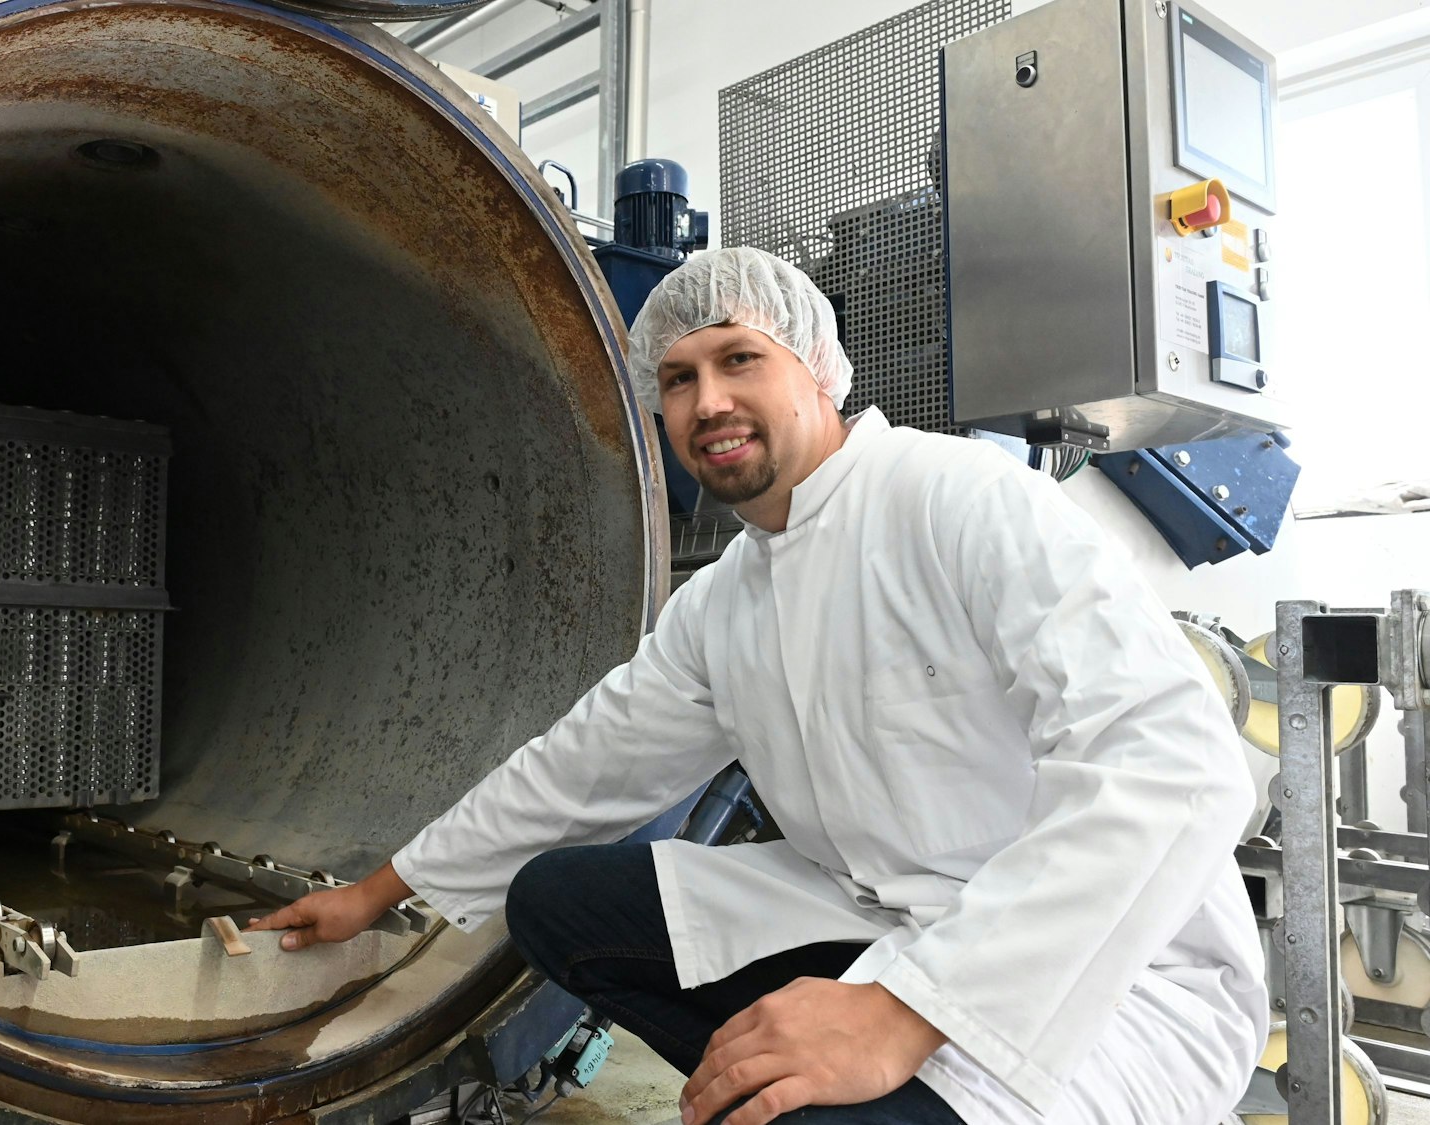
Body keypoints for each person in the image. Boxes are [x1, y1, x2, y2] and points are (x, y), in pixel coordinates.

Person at [248, 246, 1266, 1125]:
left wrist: (905, 1012)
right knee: (553, 900)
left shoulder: (957, 500)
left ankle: (833, 1085)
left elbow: (1174, 769)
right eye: (679, 379)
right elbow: (583, 764)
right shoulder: (726, 599)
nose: (707, 402)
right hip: (885, 920)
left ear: (815, 370)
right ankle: (776, 1082)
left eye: (739, 360)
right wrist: (381, 890)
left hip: (1106, 972)